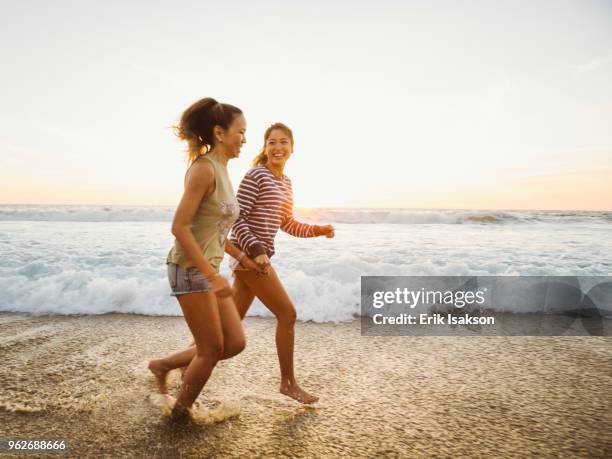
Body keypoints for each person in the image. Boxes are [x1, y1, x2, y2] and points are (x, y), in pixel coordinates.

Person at [147, 97, 261, 420]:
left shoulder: (223, 171)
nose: (244, 139)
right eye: (240, 132)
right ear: (219, 132)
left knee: (234, 342)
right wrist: (211, 277)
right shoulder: (203, 169)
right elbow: (179, 228)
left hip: (210, 269)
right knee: (210, 349)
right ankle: (180, 414)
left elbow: (215, 231)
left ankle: (164, 365)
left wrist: (242, 259)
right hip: (188, 268)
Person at [230, 122, 335, 404]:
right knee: (287, 314)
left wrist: (317, 230)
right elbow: (236, 219)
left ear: (292, 147)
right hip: (249, 257)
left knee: (227, 327)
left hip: (258, 257)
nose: (278, 147)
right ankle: (288, 383)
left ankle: (178, 364)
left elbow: (287, 223)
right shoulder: (256, 176)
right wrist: (256, 249)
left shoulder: (286, 182)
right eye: (272, 142)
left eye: (283, 142)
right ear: (264, 148)